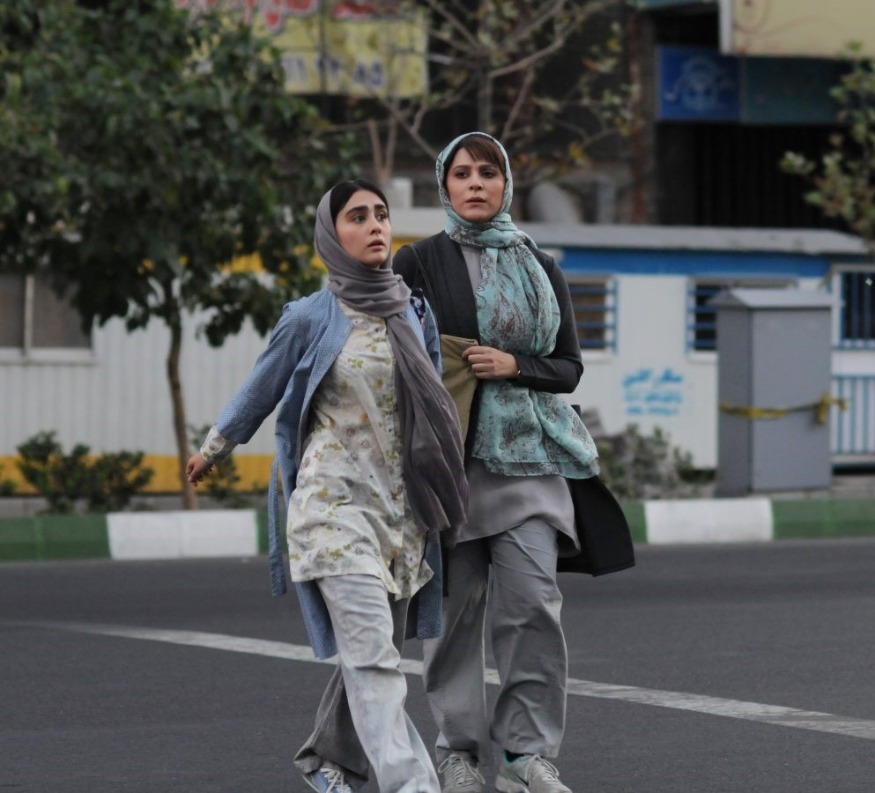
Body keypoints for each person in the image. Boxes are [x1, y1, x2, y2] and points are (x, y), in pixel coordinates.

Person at [186, 179, 467, 793]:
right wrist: (213, 448)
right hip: (330, 509)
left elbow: (433, 408)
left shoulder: (413, 312)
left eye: (381, 214)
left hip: (400, 514)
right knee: (374, 661)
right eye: (357, 216)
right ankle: (414, 786)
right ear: (331, 235)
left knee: (373, 655)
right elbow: (262, 387)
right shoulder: (311, 316)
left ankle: (326, 760)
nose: (374, 225)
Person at [393, 133, 600, 793]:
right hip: (451, 467)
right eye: (462, 173)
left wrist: (515, 365)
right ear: (445, 185)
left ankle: (524, 755)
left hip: (529, 462)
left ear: (506, 183)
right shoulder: (418, 261)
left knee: (533, 606)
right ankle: (457, 751)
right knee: (453, 619)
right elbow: (393, 355)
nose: (476, 183)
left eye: (488, 172)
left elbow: (568, 368)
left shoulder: (540, 264)